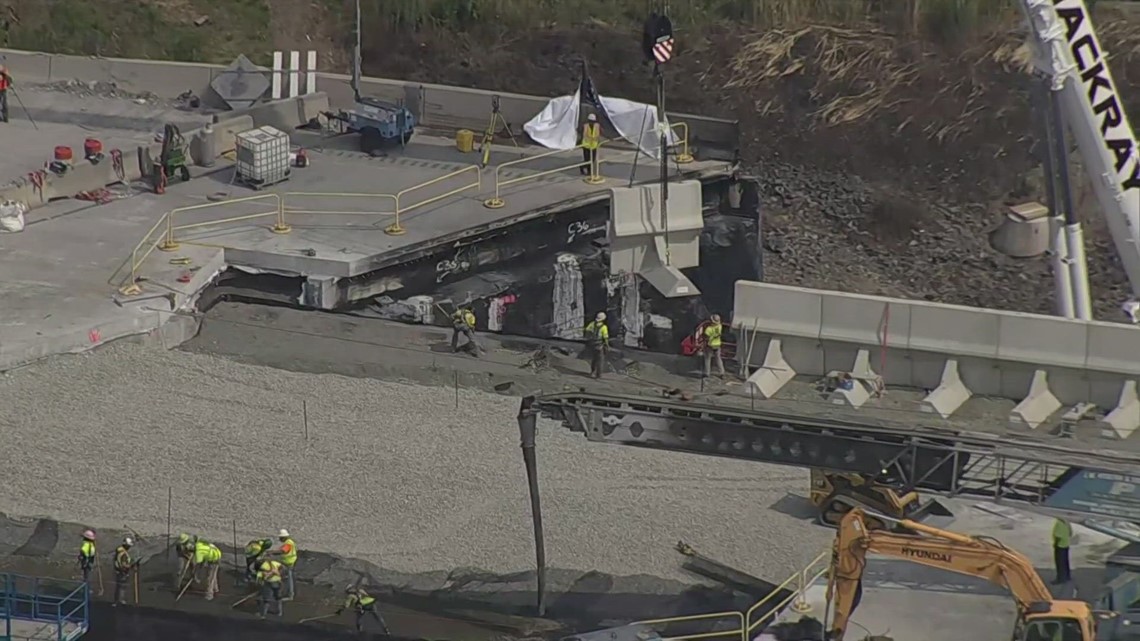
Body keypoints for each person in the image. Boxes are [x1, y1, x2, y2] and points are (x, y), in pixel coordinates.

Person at [266, 528, 298, 600]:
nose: (279, 539)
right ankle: (287, 592)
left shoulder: (288, 544)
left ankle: (289, 594)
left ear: (283, 537)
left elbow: (282, 551)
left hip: (288, 563)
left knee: (287, 578)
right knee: (287, 577)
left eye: (280, 537)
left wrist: (271, 552)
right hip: (289, 562)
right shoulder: (290, 542)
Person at [699, 314, 726, 378]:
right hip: (717, 344)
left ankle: (707, 373)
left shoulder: (709, 329)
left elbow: (706, 337)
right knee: (718, 359)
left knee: (707, 359)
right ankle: (722, 372)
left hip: (710, 345)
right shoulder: (719, 326)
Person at [584, 312, 610, 379]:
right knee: (600, 360)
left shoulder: (592, 324)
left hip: (592, 345)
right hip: (600, 345)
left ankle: (592, 372)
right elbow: (605, 337)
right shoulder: (604, 327)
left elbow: (587, 330)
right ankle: (598, 375)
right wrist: (607, 345)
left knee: (594, 359)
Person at [112, 537, 136, 607]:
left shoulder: (119, 551)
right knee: (121, 586)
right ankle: (119, 601)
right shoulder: (123, 554)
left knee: (119, 587)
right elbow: (123, 564)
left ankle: (117, 601)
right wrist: (131, 566)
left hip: (118, 571)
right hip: (122, 572)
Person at [1052, 518, 1072, 584]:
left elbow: (1057, 535)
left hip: (1060, 545)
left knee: (1060, 563)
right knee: (1065, 562)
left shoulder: (1059, 523)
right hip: (1066, 544)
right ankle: (1067, 576)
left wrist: (1055, 544)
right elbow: (1070, 533)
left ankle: (1060, 579)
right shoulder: (1067, 522)